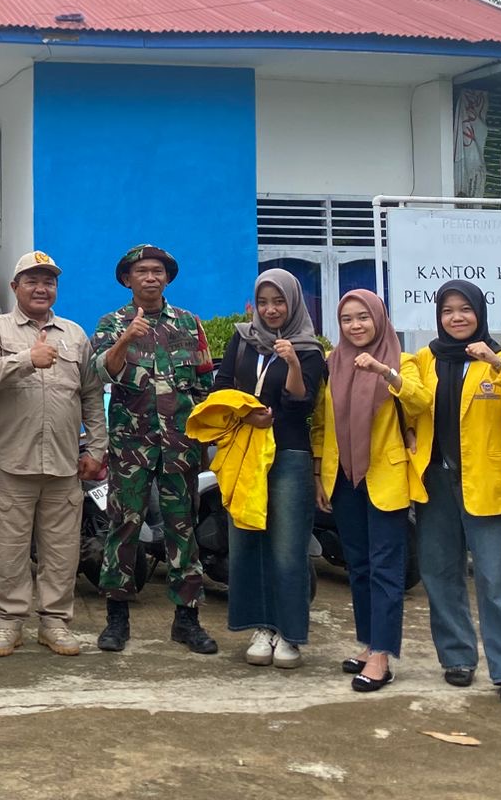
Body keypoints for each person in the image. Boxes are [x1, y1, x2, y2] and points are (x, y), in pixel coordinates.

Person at [0, 251, 105, 657]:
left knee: (61, 550)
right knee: (9, 549)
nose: (41, 288)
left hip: (65, 463)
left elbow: (91, 396)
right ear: (15, 288)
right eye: (32, 280)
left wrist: (97, 446)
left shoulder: (75, 335)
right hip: (13, 461)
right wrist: (28, 359)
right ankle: (8, 622)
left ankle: (55, 622)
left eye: (48, 281)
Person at [410, 282, 501, 706]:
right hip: (436, 482)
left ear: (480, 314)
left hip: (483, 480)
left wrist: (496, 362)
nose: (457, 318)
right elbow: (409, 402)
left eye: (465, 310)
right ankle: (457, 657)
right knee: (440, 574)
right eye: (448, 311)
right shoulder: (426, 359)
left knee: (494, 577)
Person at [90, 244, 217, 655]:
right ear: (127, 279)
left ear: (167, 278)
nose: (150, 277)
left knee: (183, 530)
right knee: (123, 528)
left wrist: (200, 435)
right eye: (141, 271)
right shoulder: (112, 323)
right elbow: (101, 372)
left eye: (157, 271)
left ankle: (187, 619)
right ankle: (117, 618)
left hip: (180, 447)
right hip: (131, 447)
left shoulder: (188, 324)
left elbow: (202, 385)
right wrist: (126, 339)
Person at [312, 289, 429, 693]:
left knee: (384, 567)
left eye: (363, 317)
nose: (356, 325)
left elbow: (421, 401)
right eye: (347, 319)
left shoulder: (403, 360)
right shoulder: (333, 363)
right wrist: (318, 473)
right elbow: (322, 423)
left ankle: (383, 654)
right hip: (342, 479)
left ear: (379, 318)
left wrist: (385, 372)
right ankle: (367, 644)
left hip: (384, 477)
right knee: (357, 566)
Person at [216, 269, 327, 669]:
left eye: (278, 301)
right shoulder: (243, 339)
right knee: (247, 541)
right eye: (264, 302)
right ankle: (260, 627)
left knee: (287, 549)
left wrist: (293, 364)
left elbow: (302, 405)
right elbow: (222, 387)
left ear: (293, 303)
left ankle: (290, 634)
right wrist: (247, 415)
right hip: (245, 452)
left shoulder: (309, 349)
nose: (271, 309)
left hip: (288, 455)